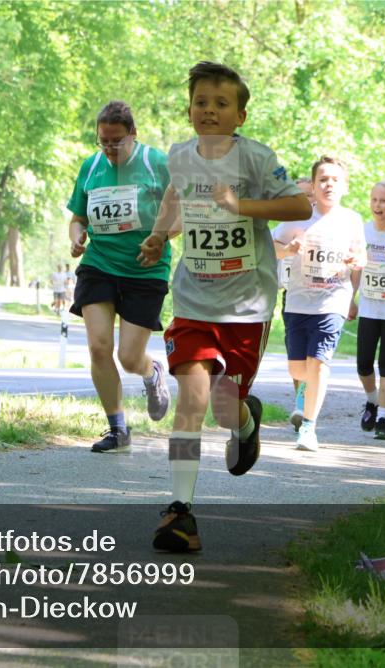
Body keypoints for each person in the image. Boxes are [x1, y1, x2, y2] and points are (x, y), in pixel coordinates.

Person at [138, 61, 311, 551]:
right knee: (192, 397)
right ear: (189, 109)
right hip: (193, 297)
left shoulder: (254, 159)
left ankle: (246, 422)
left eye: (221, 104)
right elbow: (177, 198)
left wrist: (242, 207)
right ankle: (180, 512)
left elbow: (299, 207)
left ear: (240, 115)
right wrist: (157, 235)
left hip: (246, 303)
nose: (209, 111)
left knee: (221, 406)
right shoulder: (179, 156)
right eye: (201, 102)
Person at [66, 100, 173, 453]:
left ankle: (151, 372)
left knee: (129, 358)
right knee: (99, 347)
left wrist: (160, 239)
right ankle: (117, 428)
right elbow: (78, 216)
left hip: (145, 269)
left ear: (133, 135)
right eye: (104, 141)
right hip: (100, 264)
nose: (110, 149)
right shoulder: (91, 165)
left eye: (117, 141)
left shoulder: (156, 163)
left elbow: (183, 211)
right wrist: (76, 236)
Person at [277, 156, 366, 451]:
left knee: (319, 363)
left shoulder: (352, 220)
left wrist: (357, 261)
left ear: (345, 186)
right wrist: (288, 248)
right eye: (323, 180)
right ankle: (305, 390)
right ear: (313, 186)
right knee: (297, 370)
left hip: (333, 300)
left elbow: (362, 257)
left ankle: (309, 428)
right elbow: (271, 247)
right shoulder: (297, 217)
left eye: (335, 180)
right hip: (299, 301)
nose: (329, 184)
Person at [354, 181, 385, 440]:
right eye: (374, 200)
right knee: (363, 363)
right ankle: (372, 401)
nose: (378, 205)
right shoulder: (362, 231)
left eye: (384, 200)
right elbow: (357, 267)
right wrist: (350, 298)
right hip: (368, 307)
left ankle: (383, 418)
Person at [273, 177, 315, 431]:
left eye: (309, 195)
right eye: (298, 196)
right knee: (297, 356)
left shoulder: (327, 223)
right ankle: (301, 402)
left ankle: (307, 406)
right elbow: (272, 249)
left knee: (316, 356)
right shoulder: (285, 225)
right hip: (292, 297)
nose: (305, 201)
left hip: (323, 296)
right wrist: (288, 250)